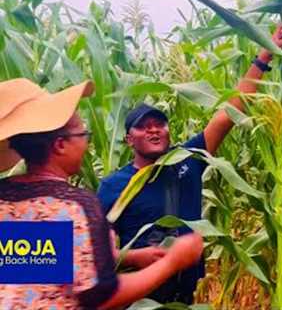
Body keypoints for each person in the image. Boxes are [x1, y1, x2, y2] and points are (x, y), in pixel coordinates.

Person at [97, 25, 282, 303]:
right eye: (144, 127)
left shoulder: (188, 159)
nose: (154, 130)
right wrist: (136, 256)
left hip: (188, 292)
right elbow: (94, 251)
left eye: (159, 124)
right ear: (128, 139)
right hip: (141, 295)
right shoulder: (113, 186)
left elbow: (227, 115)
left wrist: (263, 58)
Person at [0, 78, 203, 309]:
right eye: (83, 134)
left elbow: (36, 267)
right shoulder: (73, 208)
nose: (87, 142)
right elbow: (102, 298)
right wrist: (173, 262)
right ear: (60, 145)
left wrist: (133, 257)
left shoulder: (6, 199)